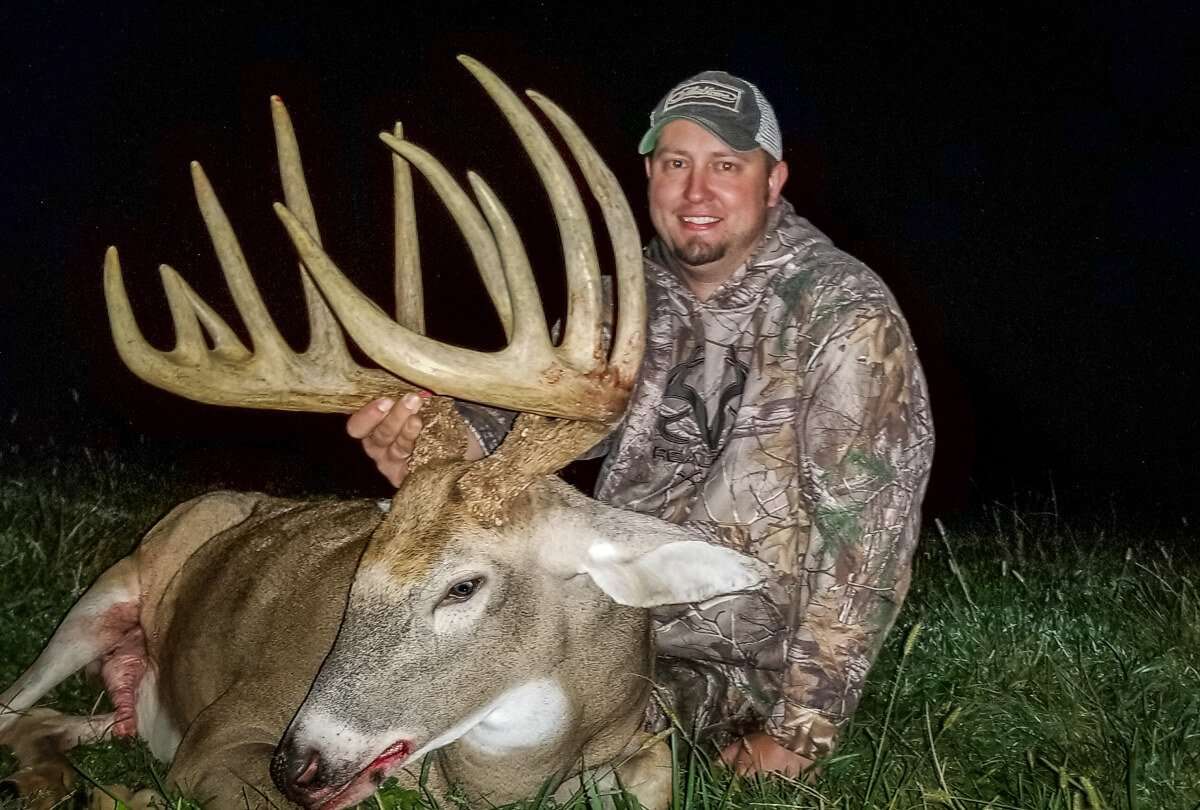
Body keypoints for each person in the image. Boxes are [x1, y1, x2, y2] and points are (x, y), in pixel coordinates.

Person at [347, 71, 934, 778]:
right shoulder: (614, 305)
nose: (696, 192)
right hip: (610, 611)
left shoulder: (843, 313)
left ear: (773, 181)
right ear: (650, 174)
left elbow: (867, 536)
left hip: (742, 655)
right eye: (676, 163)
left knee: (560, 760)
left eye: (727, 166)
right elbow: (518, 428)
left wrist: (800, 730)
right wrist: (434, 449)